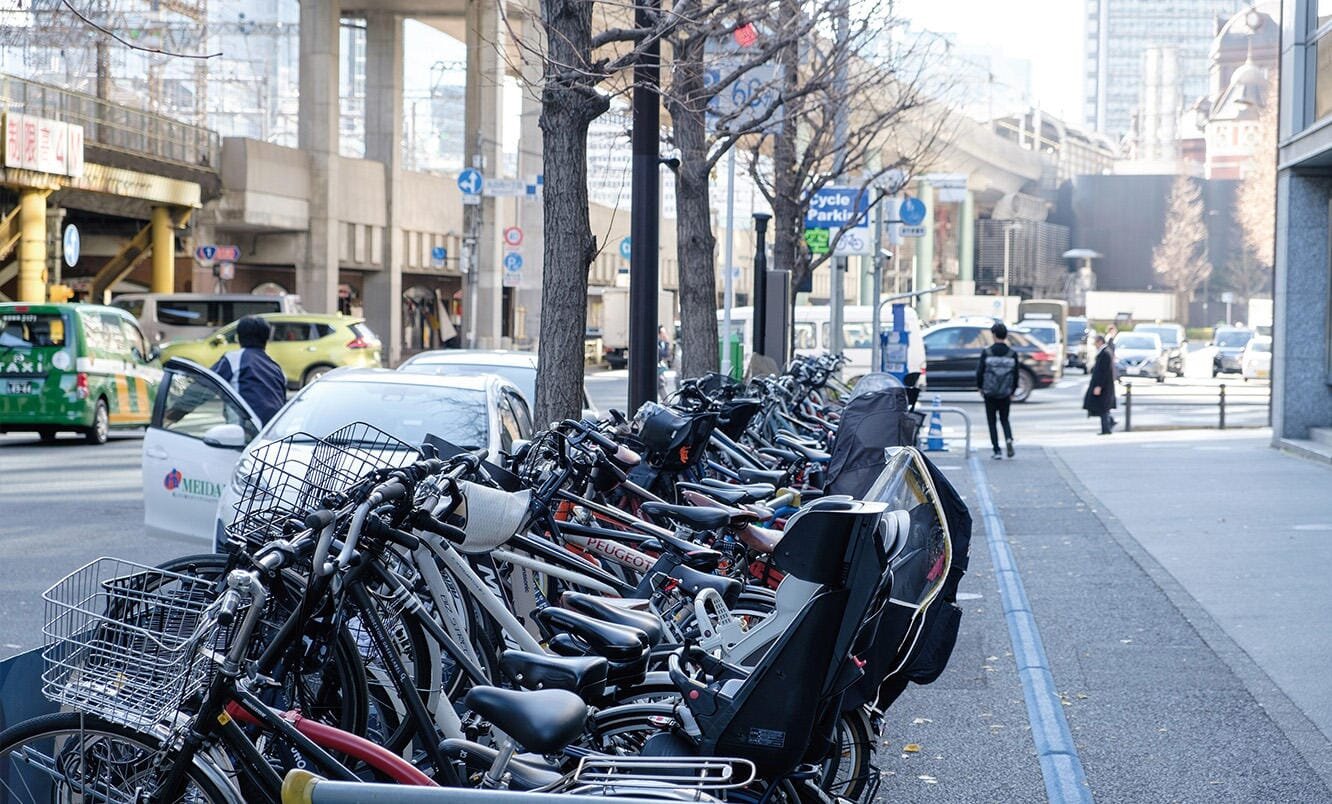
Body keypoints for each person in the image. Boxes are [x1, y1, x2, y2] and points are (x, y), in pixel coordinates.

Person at [212, 317, 288, 424]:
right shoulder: (277, 369)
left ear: (238, 338)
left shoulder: (233, 359)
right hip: (273, 433)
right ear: (266, 339)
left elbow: (203, 386)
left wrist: (180, 410)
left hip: (243, 433)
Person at [975, 322, 1019, 460]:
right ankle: (1009, 439)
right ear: (1005, 335)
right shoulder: (1012, 354)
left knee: (992, 421)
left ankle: (997, 450)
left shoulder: (987, 352)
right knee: (1005, 419)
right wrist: (1012, 390)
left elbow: (980, 372)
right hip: (1005, 392)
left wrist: (980, 387)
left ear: (993, 335)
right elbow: (1016, 373)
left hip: (990, 392)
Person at [1083, 334, 1118, 435]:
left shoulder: (1105, 353)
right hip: (1104, 386)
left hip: (1104, 386)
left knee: (1103, 408)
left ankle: (1106, 428)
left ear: (1100, 342)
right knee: (1103, 407)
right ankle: (1109, 423)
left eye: (1095, 342)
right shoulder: (1104, 352)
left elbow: (1104, 372)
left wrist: (1099, 386)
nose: (1094, 344)